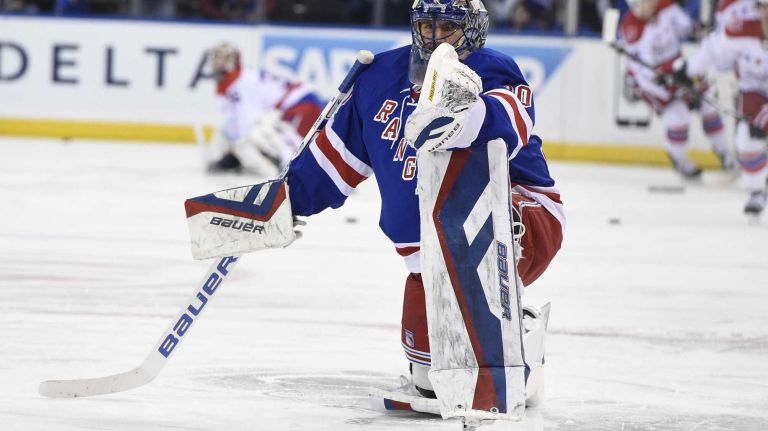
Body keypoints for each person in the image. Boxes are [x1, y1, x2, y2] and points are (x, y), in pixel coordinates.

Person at [284, 0, 565, 405]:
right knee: (432, 383)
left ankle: (515, 339)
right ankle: (511, 335)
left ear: (472, 28)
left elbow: (511, 123)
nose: (435, 37)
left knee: (476, 218)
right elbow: (331, 164)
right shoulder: (378, 74)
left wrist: (463, 118)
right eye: (427, 25)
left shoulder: (492, 68)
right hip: (427, 255)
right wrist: (283, 201)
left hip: (525, 214)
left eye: (447, 26)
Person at [619, 0, 734, 178]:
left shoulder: (666, 6)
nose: (650, 5)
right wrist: (660, 79)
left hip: (680, 68)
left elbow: (685, 26)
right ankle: (678, 159)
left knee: (708, 107)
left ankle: (725, 153)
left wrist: (696, 29)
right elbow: (641, 69)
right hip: (654, 82)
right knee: (679, 118)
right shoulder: (630, 26)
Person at [683, 0, 768, 215]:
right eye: (763, 7)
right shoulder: (742, 29)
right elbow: (714, 49)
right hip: (753, 91)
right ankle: (757, 191)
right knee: (745, 141)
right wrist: (688, 70)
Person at [206, 43, 323, 176]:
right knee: (271, 135)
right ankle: (294, 166)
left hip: (301, 104)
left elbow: (247, 122)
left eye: (220, 58)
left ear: (231, 62)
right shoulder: (235, 79)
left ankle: (299, 170)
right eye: (215, 58)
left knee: (294, 144)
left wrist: (234, 153)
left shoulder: (241, 83)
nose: (214, 62)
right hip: (296, 104)